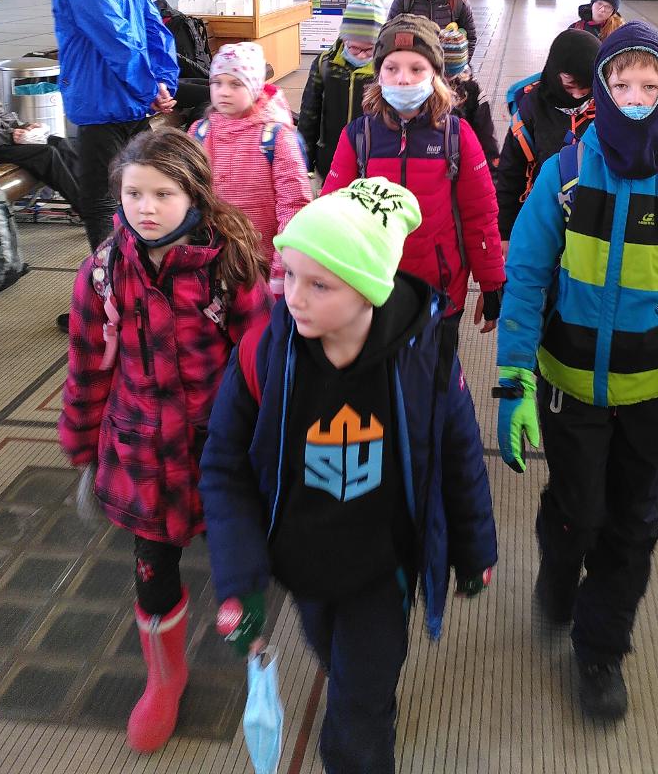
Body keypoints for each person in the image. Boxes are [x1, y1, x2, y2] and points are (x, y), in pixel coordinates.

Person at [200, 178, 497, 774]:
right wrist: (240, 579)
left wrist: (474, 548)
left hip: (381, 567)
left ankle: (359, 736)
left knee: (359, 704)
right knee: (330, 650)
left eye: (320, 284)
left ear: (369, 290)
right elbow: (225, 466)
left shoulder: (426, 358)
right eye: (288, 275)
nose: (293, 297)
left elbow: (459, 454)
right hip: (304, 563)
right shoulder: (264, 353)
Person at [495, 22, 658, 722]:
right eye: (622, 83)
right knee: (577, 510)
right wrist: (513, 378)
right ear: (601, 90)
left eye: (649, 85)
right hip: (569, 387)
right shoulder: (565, 175)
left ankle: (601, 649)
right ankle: (558, 565)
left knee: (632, 523)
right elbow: (526, 275)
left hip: (651, 394)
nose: (635, 97)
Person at [58, 128, 272, 753]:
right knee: (153, 572)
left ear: (195, 195)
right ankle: (165, 676)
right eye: (133, 194)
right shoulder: (102, 273)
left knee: (239, 556)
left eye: (163, 194)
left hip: (219, 455)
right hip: (142, 455)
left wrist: (270, 450)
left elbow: (262, 367)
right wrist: (82, 444)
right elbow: (87, 366)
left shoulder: (229, 268)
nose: (146, 208)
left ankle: (253, 639)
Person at [323, 14, 505, 356]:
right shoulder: (359, 137)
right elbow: (331, 215)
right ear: (378, 74)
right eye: (391, 68)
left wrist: (492, 281)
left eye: (416, 68)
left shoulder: (457, 136)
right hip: (374, 293)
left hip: (441, 295)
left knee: (438, 378)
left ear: (435, 74)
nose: (403, 79)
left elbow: (480, 214)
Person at [35, 0, 179, 275]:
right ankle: (142, 280)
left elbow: (114, 38)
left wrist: (150, 87)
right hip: (131, 101)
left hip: (103, 104)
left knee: (100, 202)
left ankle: (110, 288)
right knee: (139, 195)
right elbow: (154, 24)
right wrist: (161, 82)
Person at [190, 41, 311, 294]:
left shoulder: (276, 137)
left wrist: (282, 269)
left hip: (261, 264)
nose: (224, 92)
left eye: (236, 84)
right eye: (217, 83)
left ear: (254, 87)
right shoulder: (199, 132)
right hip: (209, 261)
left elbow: (294, 205)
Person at [496, 28, 598, 254]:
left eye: (586, 88)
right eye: (570, 85)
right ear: (554, 70)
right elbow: (510, 172)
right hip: (542, 219)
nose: (578, 95)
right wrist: (505, 232)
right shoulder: (531, 109)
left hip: (594, 225)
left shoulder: (607, 106)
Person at [0, 26, 82, 212]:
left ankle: (93, 198)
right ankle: (87, 208)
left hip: (1, 142)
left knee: (58, 142)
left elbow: (2, 113)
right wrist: (10, 136)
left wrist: (24, 126)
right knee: (46, 153)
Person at [297, 0, 385, 179]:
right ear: (344, 39)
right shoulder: (325, 64)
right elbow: (309, 116)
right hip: (329, 161)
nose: (361, 55)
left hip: (374, 164)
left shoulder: (386, 69)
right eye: (354, 48)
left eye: (369, 49)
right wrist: (305, 163)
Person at [439, 21, 500, 173]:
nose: (448, 78)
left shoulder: (471, 89)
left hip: (463, 159)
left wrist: (491, 168)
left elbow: (485, 133)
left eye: (452, 73)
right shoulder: (427, 89)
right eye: (445, 73)